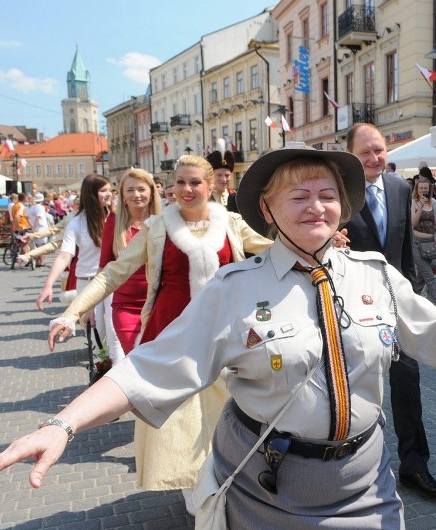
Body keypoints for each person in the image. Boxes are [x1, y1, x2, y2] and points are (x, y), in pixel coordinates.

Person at [0, 146, 436, 530]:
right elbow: (153, 368)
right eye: (296, 196)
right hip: (275, 493)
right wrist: (62, 424)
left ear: (343, 206)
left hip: (367, 485)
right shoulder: (233, 291)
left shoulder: (376, 275)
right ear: (267, 210)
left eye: (326, 194)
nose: (315, 206)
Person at [45, 156, 272, 511]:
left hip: (228, 332)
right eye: (179, 182)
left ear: (210, 185)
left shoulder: (229, 223)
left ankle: (225, 483)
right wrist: (72, 312)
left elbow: (277, 248)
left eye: (194, 182)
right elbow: (112, 273)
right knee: (181, 419)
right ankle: (200, 493)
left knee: (229, 413)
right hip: (171, 332)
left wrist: (327, 243)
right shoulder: (156, 226)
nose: (186, 189)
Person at [343, 123, 436, 495]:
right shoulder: (337, 192)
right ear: (350, 156)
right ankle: (351, 469)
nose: (374, 158)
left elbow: (403, 248)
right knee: (353, 385)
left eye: (379, 150)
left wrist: (410, 294)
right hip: (349, 307)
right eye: (365, 152)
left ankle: (415, 465)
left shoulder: (400, 188)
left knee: (407, 382)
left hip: (393, 303)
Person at [36, 175, 113, 349]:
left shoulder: (117, 217)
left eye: (110, 190)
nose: (108, 194)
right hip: (87, 283)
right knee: (98, 334)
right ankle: (101, 364)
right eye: (103, 190)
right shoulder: (77, 223)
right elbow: (65, 255)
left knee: (115, 332)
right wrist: (48, 285)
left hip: (114, 282)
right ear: (91, 194)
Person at [97, 169, 163, 358]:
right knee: (137, 361)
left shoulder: (164, 220)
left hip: (159, 305)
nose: (136, 195)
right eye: (130, 190)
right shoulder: (114, 221)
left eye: (141, 189)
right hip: (126, 306)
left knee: (159, 363)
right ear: (123, 195)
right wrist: (89, 307)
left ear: (151, 192)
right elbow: (104, 265)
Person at [410, 176, 436, 311]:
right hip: (417, 243)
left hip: (430, 244)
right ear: (417, 189)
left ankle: (411, 302)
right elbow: (413, 223)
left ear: (430, 188)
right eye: (421, 188)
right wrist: (420, 205)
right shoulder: (414, 202)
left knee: (421, 279)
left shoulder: (434, 203)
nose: (423, 190)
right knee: (429, 276)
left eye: (426, 188)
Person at [207, 138, 239, 213]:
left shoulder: (237, 197)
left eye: (227, 175)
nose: (224, 179)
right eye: (219, 175)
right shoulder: (203, 198)